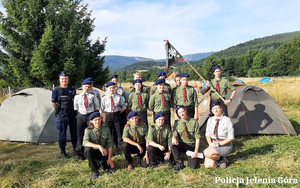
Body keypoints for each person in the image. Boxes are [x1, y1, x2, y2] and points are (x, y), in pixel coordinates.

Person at [51, 72, 77, 158]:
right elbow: (53, 103)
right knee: (62, 133)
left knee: (74, 132)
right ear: (59, 80)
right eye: (62, 79)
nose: (64, 80)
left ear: (68, 80)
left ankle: (76, 149)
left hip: (72, 113)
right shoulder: (56, 91)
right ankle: (63, 151)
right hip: (62, 113)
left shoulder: (72, 89)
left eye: (65, 78)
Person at [74, 78, 100, 159]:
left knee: (91, 133)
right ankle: (80, 153)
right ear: (82, 86)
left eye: (89, 87)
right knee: (80, 134)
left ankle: (91, 151)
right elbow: (75, 107)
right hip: (81, 116)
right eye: (85, 86)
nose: (87, 88)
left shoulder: (93, 96)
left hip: (90, 116)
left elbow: (97, 107)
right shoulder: (77, 97)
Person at [83, 112, 114, 180]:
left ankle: (102, 164)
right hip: (94, 152)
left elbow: (110, 144)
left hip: (104, 153)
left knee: (107, 168)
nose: (98, 121)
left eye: (99, 119)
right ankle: (95, 172)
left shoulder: (106, 128)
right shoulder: (88, 130)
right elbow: (85, 143)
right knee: (87, 150)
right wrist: (99, 146)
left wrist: (109, 158)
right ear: (91, 121)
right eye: (95, 120)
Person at [170, 105, 201, 172]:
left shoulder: (194, 122)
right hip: (182, 144)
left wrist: (196, 151)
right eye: (179, 113)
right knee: (171, 143)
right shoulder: (177, 123)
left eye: (182, 111)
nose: (181, 114)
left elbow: (198, 138)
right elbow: (174, 133)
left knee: (193, 166)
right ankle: (179, 162)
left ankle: (192, 158)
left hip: (191, 145)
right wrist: (173, 137)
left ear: (186, 111)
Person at [204, 101, 234, 169]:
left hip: (225, 145)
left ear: (221, 109)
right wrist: (210, 144)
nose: (216, 110)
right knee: (209, 166)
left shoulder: (227, 120)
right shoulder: (210, 120)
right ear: (211, 110)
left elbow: (231, 137)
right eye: (214, 109)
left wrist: (219, 144)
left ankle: (221, 158)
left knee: (206, 152)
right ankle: (222, 159)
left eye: (217, 108)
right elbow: (207, 134)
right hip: (213, 144)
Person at [101, 82, 126, 147]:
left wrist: (118, 113)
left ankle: (121, 147)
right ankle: (112, 147)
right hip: (108, 115)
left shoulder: (119, 97)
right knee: (109, 132)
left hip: (117, 115)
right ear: (107, 89)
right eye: (110, 88)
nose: (112, 89)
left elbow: (123, 106)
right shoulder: (104, 98)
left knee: (119, 132)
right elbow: (102, 108)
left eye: (113, 88)